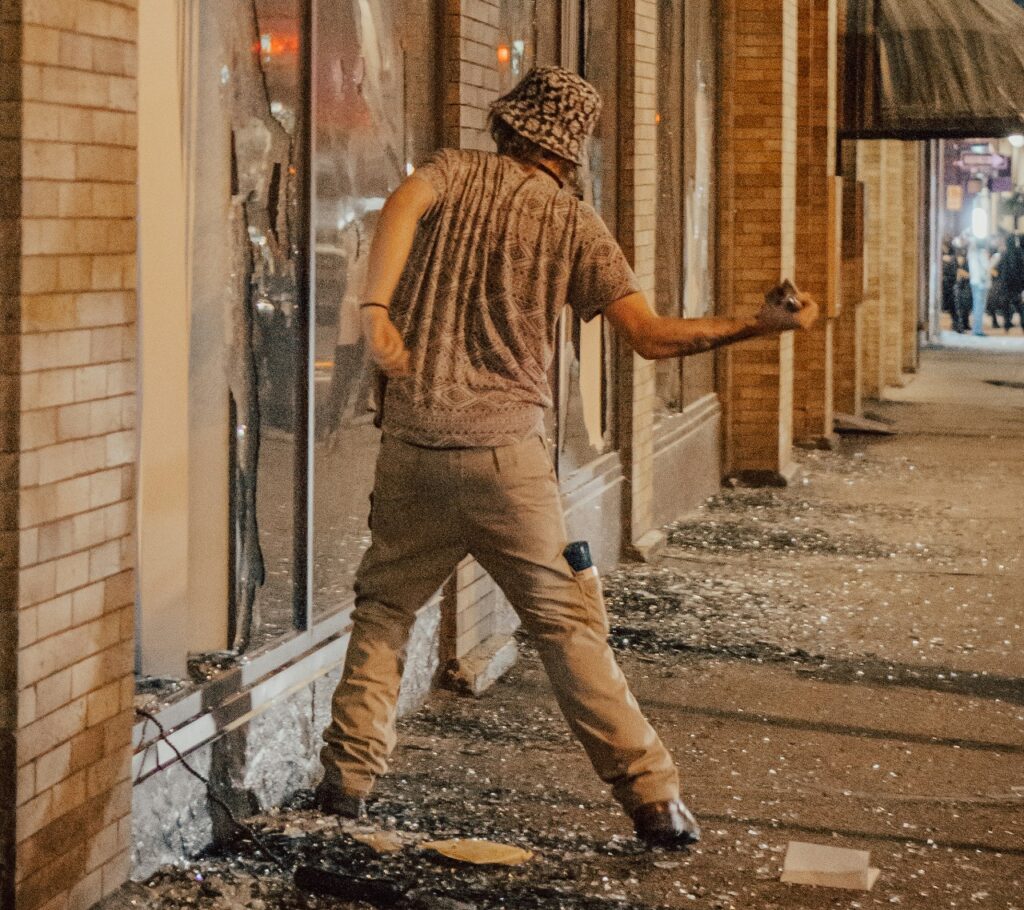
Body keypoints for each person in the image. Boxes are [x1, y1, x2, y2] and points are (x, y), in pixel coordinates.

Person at [314, 66, 818, 849]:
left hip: (413, 447)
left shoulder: (450, 171)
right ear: (568, 150)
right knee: (568, 630)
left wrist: (378, 308)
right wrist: (758, 326)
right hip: (506, 464)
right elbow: (650, 337)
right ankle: (654, 800)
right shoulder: (575, 224)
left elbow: (402, 201)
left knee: (384, 613)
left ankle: (344, 786)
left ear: (507, 126)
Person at [967, 234, 991, 336]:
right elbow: (986, 268)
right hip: (982, 283)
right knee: (979, 307)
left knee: (976, 305)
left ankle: (976, 328)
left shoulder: (971, 254)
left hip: (974, 281)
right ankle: (977, 330)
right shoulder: (981, 254)